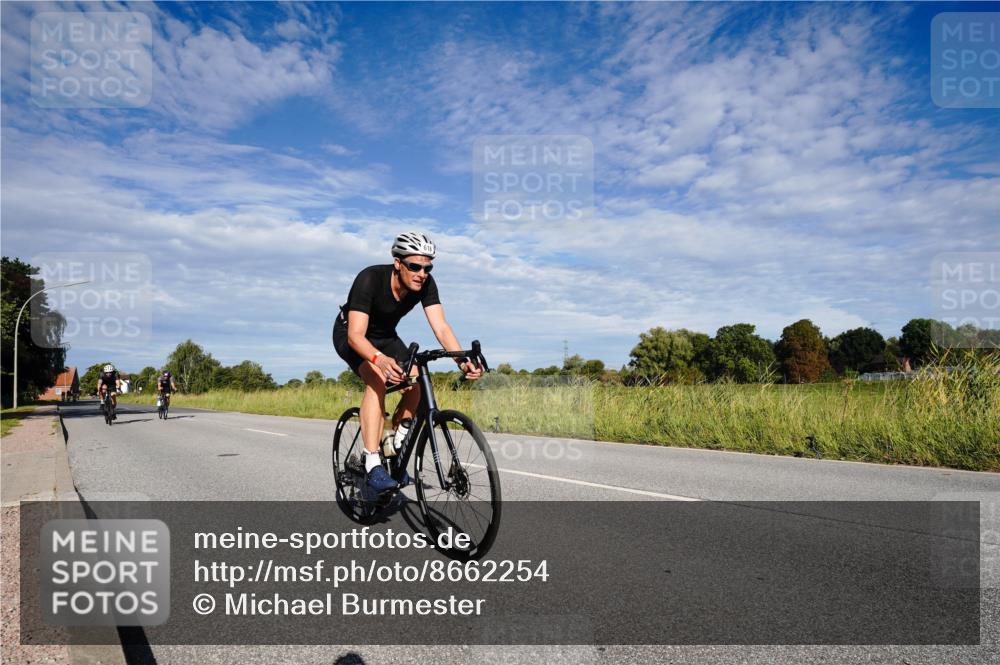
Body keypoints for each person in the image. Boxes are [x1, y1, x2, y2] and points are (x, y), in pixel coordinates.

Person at [333, 231, 483, 493]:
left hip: (386, 337)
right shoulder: (369, 279)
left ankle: (396, 442)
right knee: (377, 379)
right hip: (352, 335)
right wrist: (378, 359)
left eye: (427, 267)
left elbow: (441, 327)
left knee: (416, 382)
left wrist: (461, 361)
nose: (422, 273)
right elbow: (356, 336)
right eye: (415, 266)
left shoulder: (426, 283)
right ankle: (372, 462)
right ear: (398, 263)